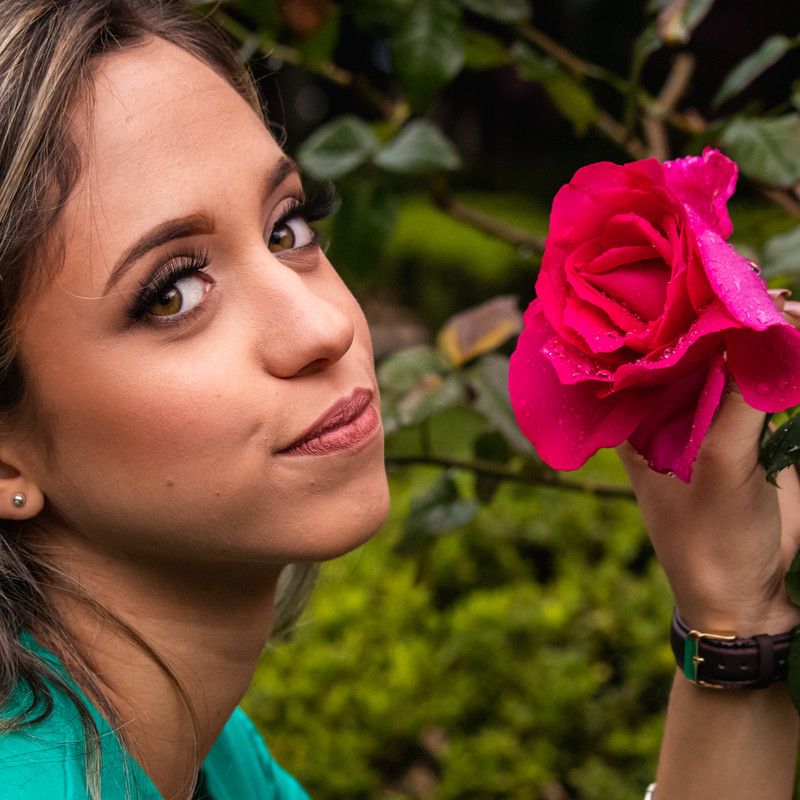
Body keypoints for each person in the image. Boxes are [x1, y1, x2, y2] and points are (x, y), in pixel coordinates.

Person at [0, 2, 796, 799]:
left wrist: (731, 609)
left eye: (288, 228)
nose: (325, 325)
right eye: (172, 294)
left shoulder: (197, 754)